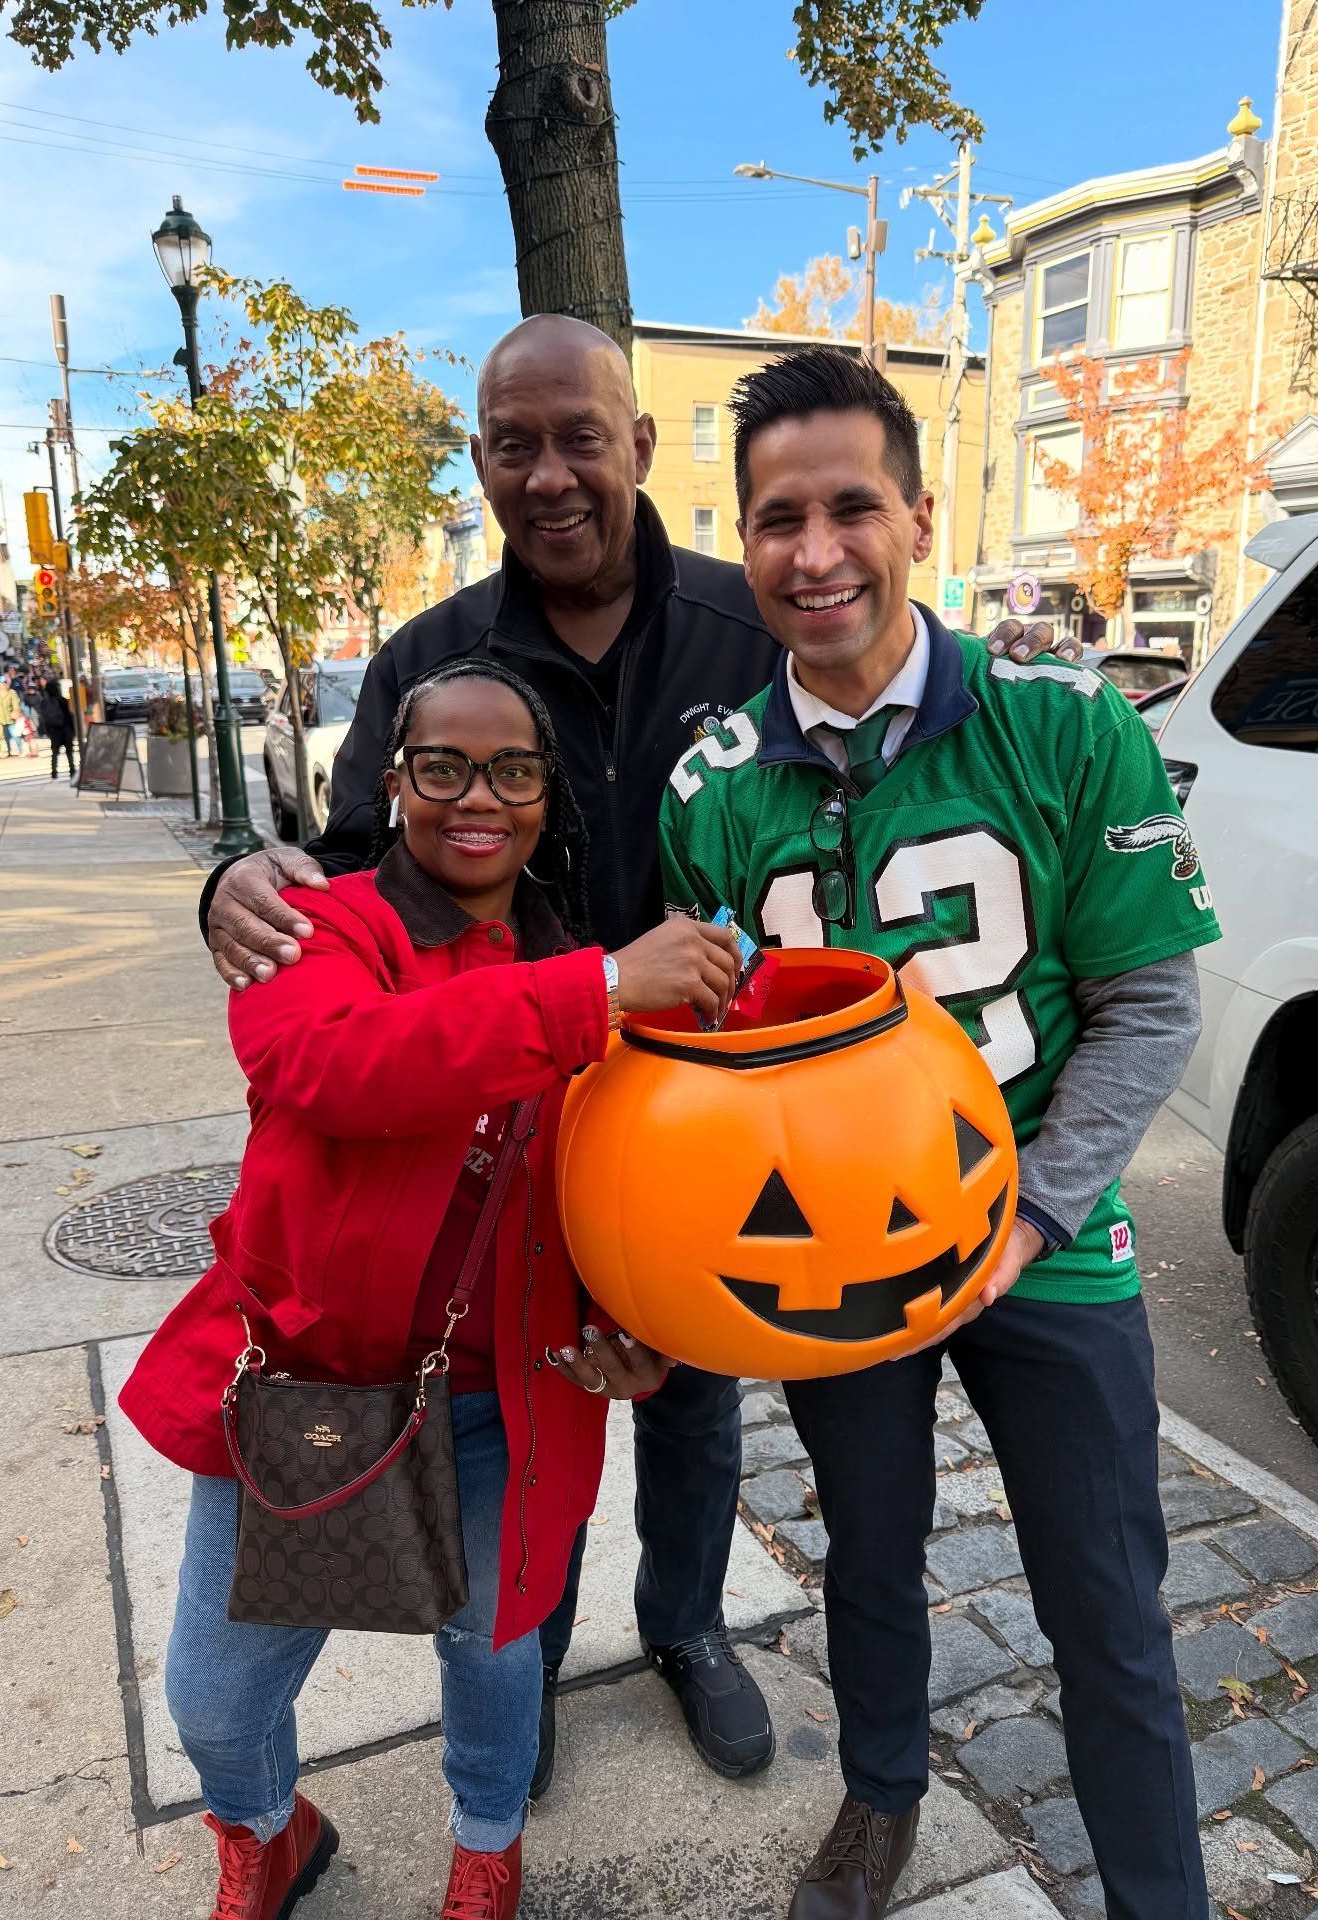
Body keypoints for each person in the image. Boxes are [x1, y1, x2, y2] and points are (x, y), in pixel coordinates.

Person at [199, 313, 1079, 1798]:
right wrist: (232, 873)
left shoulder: (755, 623)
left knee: (692, 1400)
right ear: (479, 461)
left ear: (640, 448)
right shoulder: (431, 658)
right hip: (502, 1129)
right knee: (520, 1411)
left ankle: (684, 1624)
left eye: (580, 438)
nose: (548, 474)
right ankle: (519, 1655)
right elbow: (350, 877)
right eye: (512, 444)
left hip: (712, 1139)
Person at [657, 346, 1219, 1920]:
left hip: (1047, 1238)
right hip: (838, 1256)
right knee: (871, 1552)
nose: (815, 549)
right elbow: (703, 1064)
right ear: (746, 543)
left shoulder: (1060, 723)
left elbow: (1151, 1009)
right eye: (778, 517)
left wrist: (1031, 1215)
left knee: (1108, 1600)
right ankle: (883, 1796)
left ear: (915, 513)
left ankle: (1157, 1892)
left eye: (850, 506)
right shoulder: (710, 787)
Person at [119, 659, 741, 1920]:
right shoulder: (334, 926)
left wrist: (640, 1330)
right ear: (394, 781)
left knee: (496, 1656)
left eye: (513, 770)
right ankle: (267, 1829)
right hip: (310, 1387)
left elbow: (634, 1189)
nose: (479, 798)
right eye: (441, 766)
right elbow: (337, 1066)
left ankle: (486, 1848)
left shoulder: (581, 970)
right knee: (217, 1699)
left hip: (504, 1397)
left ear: (545, 795)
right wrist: (604, 988)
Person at [38, 678, 76, 780]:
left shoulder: (44, 703)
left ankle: (54, 773)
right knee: (69, 752)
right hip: (65, 729)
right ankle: (72, 771)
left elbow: (43, 718)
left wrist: (46, 731)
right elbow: (69, 716)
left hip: (54, 731)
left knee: (55, 753)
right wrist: (73, 730)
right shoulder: (62, 700)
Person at [0, 675, 23, 757]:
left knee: (16, 735)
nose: (3, 685)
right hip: (2, 719)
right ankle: (9, 751)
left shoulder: (12, 692)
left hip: (11, 718)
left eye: (5, 683)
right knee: (6, 737)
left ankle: (20, 750)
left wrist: (16, 712)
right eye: (1, 684)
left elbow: (16, 703)